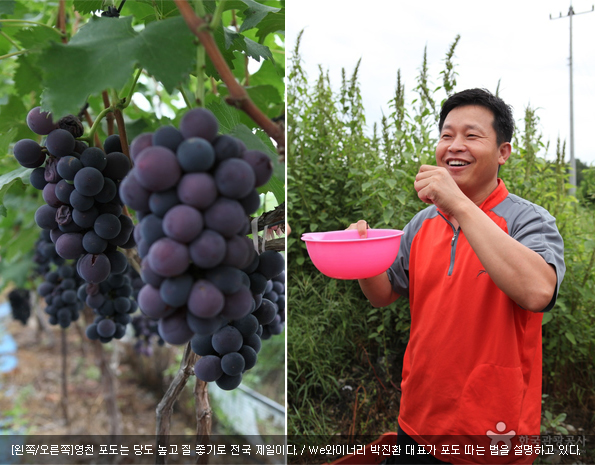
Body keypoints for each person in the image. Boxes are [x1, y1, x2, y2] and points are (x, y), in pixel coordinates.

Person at [348, 88, 565, 464]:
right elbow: (383, 293)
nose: (454, 145)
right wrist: (361, 255)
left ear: (503, 153)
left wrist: (459, 204)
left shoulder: (528, 221)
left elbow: (538, 292)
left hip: (493, 428)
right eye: (447, 135)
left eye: (472, 135)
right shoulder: (422, 223)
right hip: (419, 417)